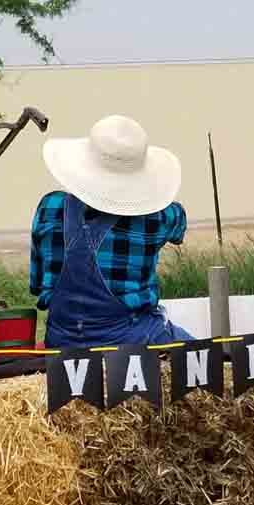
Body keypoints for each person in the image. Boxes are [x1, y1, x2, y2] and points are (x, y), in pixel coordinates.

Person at [30, 114, 193, 348]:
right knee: (209, 361)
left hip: (62, 341)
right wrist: (149, 197)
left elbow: (37, 285)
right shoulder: (157, 218)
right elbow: (179, 225)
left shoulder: (49, 206)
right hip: (134, 339)